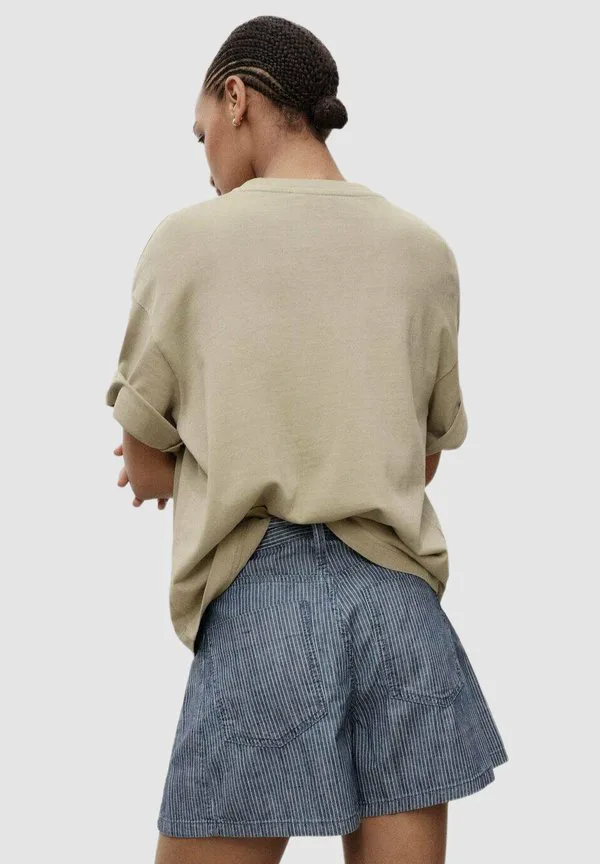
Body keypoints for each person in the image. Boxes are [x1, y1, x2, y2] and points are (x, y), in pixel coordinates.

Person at [105, 14, 509, 864]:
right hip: (401, 612)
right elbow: (423, 456)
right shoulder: (423, 251)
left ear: (237, 98)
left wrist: (172, 465)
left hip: (264, 612)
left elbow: (143, 451)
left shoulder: (189, 241)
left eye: (203, 135)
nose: (206, 161)